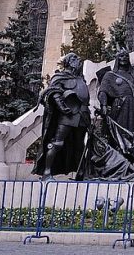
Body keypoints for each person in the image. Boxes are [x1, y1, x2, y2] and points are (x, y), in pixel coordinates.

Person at [33, 52, 91, 180]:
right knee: (57, 143)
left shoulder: (81, 79)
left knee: (80, 145)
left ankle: (81, 173)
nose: (78, 60)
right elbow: (53, 92)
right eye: (75, 58)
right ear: (68, 62)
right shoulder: (60, 77)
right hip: (67, 116)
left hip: (82, 115)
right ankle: (47, 173)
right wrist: (62, 107)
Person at [96, 48, 134, 151]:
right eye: (121, 56)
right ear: (117, 59)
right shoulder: (110, 75)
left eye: (126, 56)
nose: (124, 58)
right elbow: (103, 92)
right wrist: (103, 105)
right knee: (123, 140)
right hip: (120, 108)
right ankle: (121, 164)